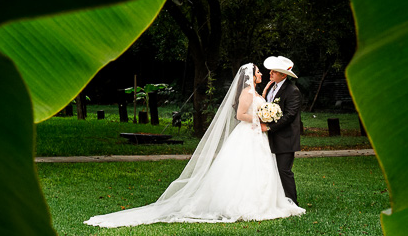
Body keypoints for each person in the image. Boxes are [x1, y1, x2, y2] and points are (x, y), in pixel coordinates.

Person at [84, 63, 305, 227]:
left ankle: (265, 200)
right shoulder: (247, 92)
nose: (262, 74)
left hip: (258, 135)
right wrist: (260, 119)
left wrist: (266, 117)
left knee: (259, 168)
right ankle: (243, 203)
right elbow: (240, 115)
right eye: (258, 72)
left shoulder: (259, 91)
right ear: (250, 75)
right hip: (250, 132)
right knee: (243, 167)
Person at [261, 55, 302, 204]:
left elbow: (290, 115)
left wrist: (269, 127)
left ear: (283, 75)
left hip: (286, 138)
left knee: (284, 170)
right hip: (273, 136)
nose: (270, 73)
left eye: (274, 71)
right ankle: (278, 201)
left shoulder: (292, 91)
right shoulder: (272, 87)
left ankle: (292, 202)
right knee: (273, 170)